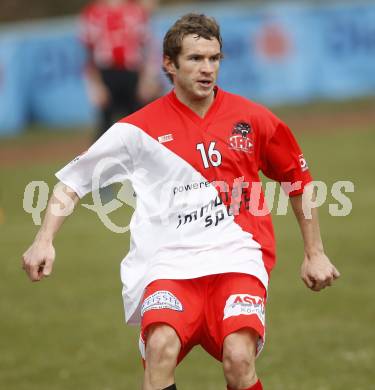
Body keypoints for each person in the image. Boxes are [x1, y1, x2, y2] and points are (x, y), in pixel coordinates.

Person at [22, 13, 340, 390]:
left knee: (239, 358)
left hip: (237, 258)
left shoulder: (253, 120)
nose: (207, 69)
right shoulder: (137, 130)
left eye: (214, 59)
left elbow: (298, 181)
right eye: (195, 59)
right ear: (169, 65)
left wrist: (315, 252)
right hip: (168, 265)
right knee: (160, 349)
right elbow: (71, 183)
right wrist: (44, 239)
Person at [80, 0, 161, 139]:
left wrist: (147, 79)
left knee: (139, 126)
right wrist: (95, 85)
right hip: (106, 74)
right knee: (104, 129)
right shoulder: (92, 13)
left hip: (132, 73)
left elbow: (147, 47)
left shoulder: (136, 11)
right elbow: (87, 53)